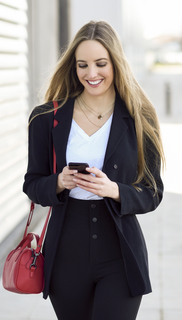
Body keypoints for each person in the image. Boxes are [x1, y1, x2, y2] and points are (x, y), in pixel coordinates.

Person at [23, 21, 165, 320]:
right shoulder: (47, 118)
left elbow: (152, 193)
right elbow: (33, 184)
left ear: (116, 62)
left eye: (101, 64)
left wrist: (115, 190)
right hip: (65, 253)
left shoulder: (140, 117)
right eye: (82, 65)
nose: (91, 74)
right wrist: (59, 182)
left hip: (120, 252)